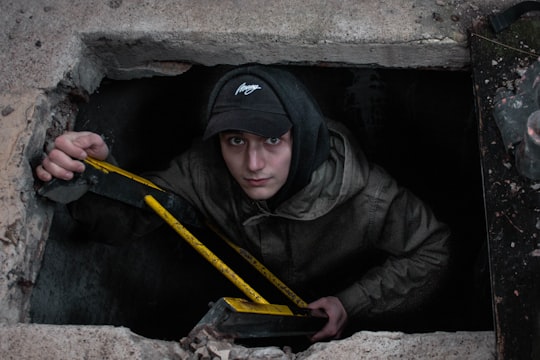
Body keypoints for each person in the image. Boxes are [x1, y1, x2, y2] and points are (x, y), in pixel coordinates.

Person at [36, 65, 450, 342]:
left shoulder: (368, 194)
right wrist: (91, 177)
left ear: (302, 139)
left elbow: (434, 251)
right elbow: (125, 222)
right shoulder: (203, 171)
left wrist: (352, 302)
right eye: (236, 141)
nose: (252, 164)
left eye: (272, 140)